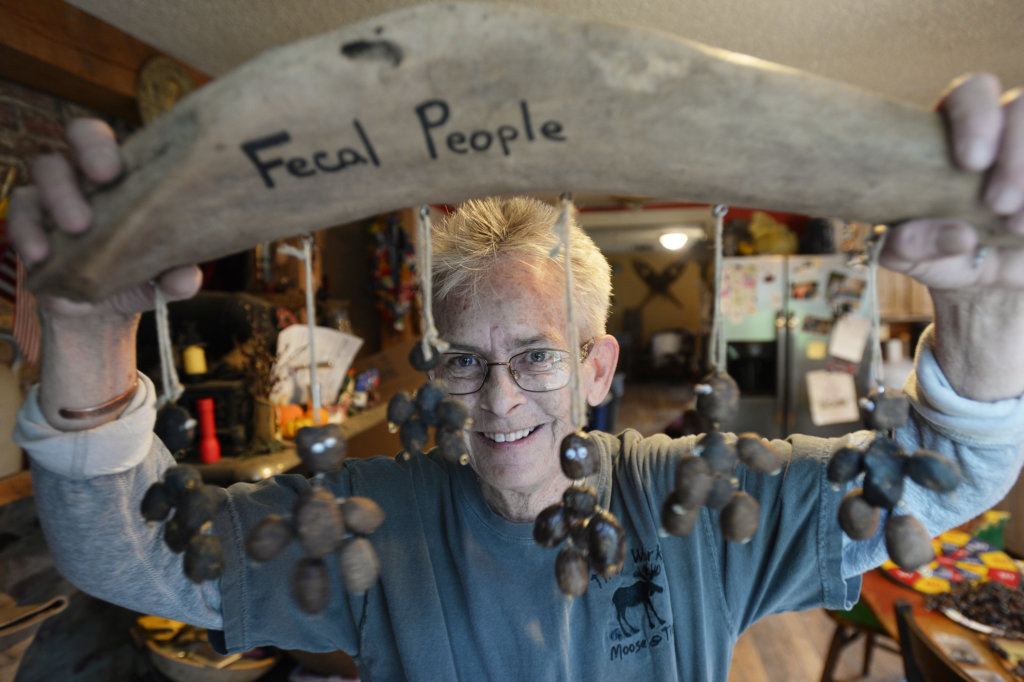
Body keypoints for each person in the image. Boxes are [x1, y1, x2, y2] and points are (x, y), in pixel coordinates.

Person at [7, 72, 1024, 680]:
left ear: (597, 364)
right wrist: (88, 339)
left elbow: (950, 475)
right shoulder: (367, 517)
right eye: (464, 361)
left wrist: (988, 307)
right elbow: (131, 559)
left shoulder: (696, 500)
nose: (497, 399)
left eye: (535, 354)